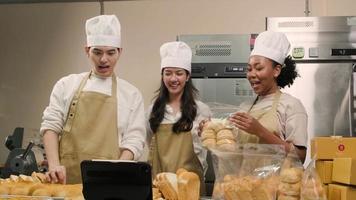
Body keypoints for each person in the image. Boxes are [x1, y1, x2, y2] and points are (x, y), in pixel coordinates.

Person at [40, 15, 146, 184]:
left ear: (120, 52)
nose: (104, 59)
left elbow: (134, 141)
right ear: (87, 50)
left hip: (110, 184)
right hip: (65, 181)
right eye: (97, 52)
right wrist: (54, 165)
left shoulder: (131, 94)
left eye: (111, 52)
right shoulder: (67, 85)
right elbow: (51, 126)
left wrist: (116, 172)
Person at [228, 31, 307, 162]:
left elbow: (300, 157)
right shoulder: (245, 107)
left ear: (276, 70)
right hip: (245, 181)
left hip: (277, 182)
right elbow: (235, 152)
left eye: (258, 68)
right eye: (249, 69)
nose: (252, 74)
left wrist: (260, 131)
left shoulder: (291, 105)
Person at [147, 41, 211, 193]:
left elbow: (208, 149)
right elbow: (149, 143)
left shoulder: (201, 110)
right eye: (168, 73)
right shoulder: (152, 111)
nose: (173, 79)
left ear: (188, 76)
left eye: (179, 73)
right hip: (160, 188)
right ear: (162, 76)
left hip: (190, 189)